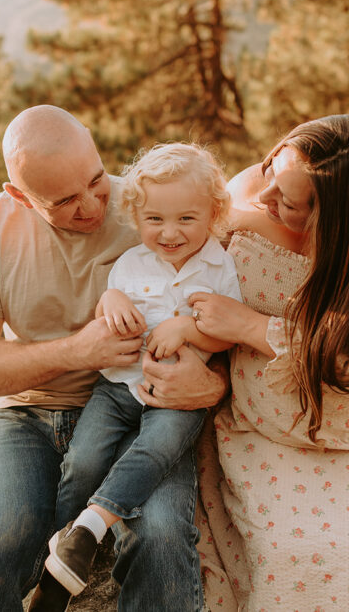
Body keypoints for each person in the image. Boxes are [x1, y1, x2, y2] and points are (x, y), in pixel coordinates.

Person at [0, 105, 225, 612]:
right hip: (26, 416)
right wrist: (77, 350)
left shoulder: (151, 209)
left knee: (160, 538)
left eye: (96, 181)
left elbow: (216, 304)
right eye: (66, 200)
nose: (92, 205)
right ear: (20, 196)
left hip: (142, 413)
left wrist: (215, 385)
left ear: (93, 142)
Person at [188, 114, 349, 610]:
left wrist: (252, 328)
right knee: (284, 552)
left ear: (341, 219)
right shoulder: (250, 187)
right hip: (259, 431)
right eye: (271, 170)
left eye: (288, 202)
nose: (263, 198)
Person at [42, 143, 243, 598]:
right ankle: (67, 541)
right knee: (83, 457)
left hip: (178, 397)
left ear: (212, 214)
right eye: (155, 220)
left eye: (186, 219)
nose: (170, 233)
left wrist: (187, 329)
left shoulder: (219, 266)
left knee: (155, 452)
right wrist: (110, 301)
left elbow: (226, 335)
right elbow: (110, 304)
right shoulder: (132, 263)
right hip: (117, 388)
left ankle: (92, 526)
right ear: (137, 217)